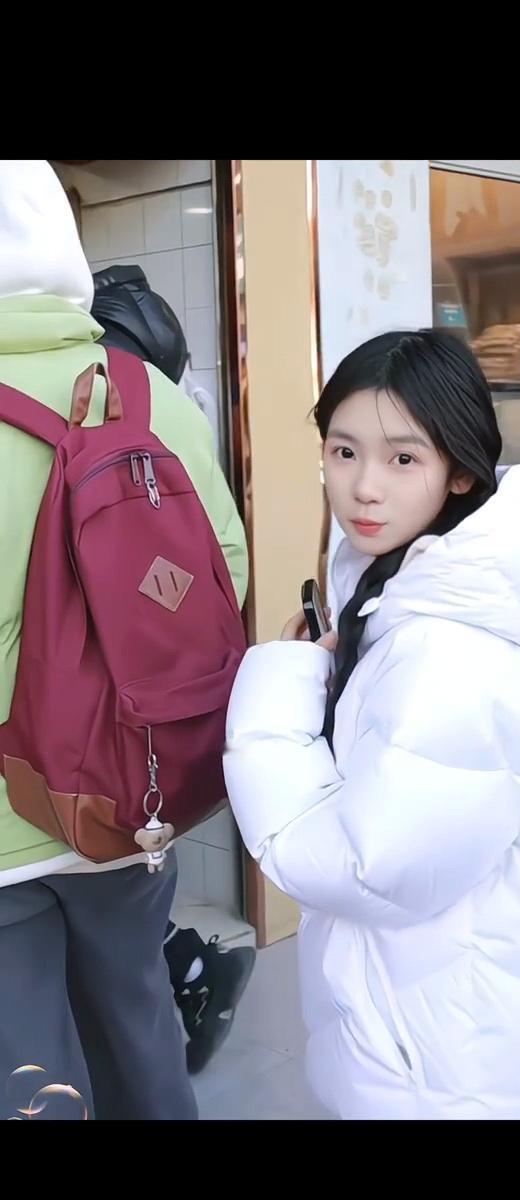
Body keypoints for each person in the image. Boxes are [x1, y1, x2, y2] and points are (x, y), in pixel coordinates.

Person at [224, 329, 520, 1121]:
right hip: (466, 1024)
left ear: (459, 471)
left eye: (403, 458)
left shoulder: (451, 652)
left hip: (457, 1066)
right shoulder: (412, 590)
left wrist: (276, 697)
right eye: (344, 452)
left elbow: (368, 868)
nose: (364, 488)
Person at [0, 161, 248, 1119]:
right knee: (137, 1026)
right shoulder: (154, 396)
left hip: (9, 826)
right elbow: (223, 578)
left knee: (30, 1066)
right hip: (131, 794)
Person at [91, 264, 255, 1074]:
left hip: (65, 760)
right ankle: (193, 972)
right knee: (127, 926)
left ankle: (191, 972)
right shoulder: (168, 402)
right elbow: (228, 569)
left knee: (109, 947)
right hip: (145, 740)